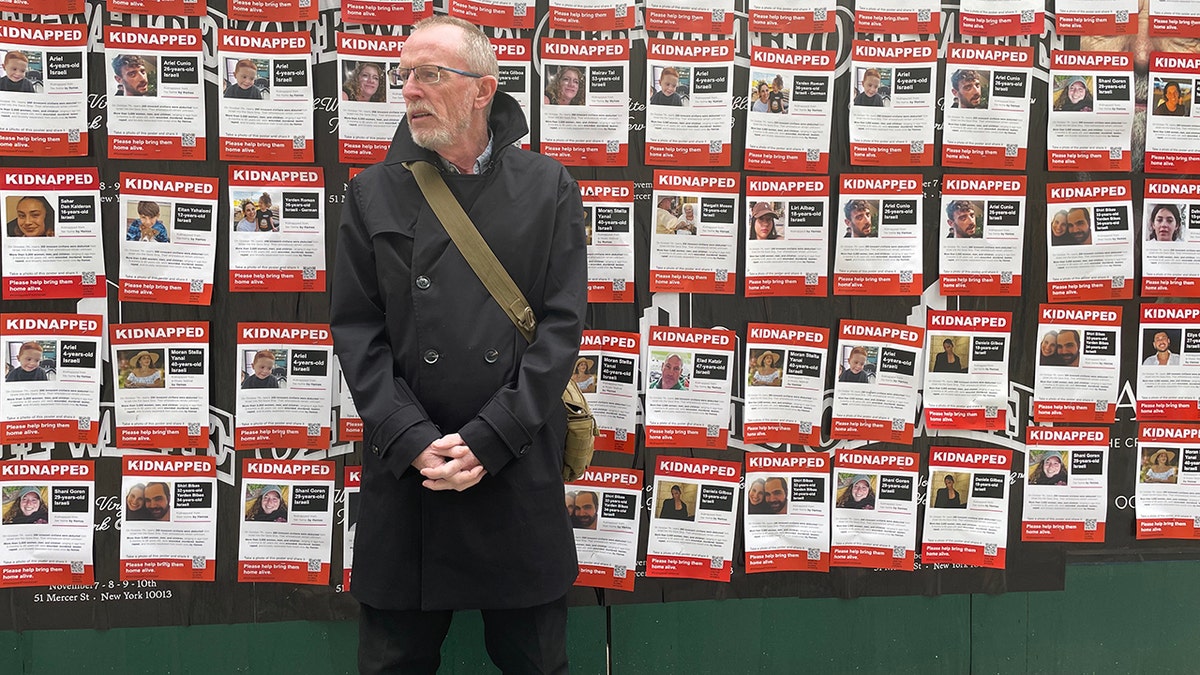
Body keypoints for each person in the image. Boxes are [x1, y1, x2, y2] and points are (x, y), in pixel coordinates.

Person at [329, 16, 587, 674]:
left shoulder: (548, 187)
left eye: (429, 74)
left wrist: (492, 436)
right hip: (411, 475)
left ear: (482, 91)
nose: (408, 89)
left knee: (536, 662)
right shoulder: (369, 192)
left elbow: (560, 327)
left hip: (515, 462)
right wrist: (413, 437)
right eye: (404, 74)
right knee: (393, 663)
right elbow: (357, 331)